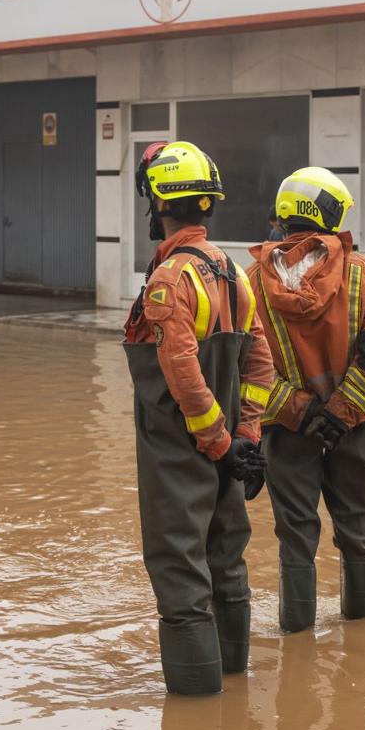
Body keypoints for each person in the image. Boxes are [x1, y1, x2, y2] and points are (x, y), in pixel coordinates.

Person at [124, 140, 275, 695]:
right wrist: (246, 435)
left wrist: (216, 440)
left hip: (180, 451)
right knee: (227, 558)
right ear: (206, 204)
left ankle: (196, 709)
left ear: (159, 204)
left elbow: (181, 368)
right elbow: (260, 359)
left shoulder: (170, 280)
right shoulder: (234, 273)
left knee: (180, 569)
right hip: (228, 450)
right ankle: (233, 685)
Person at [249, 167, 365, 632]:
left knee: (296, 540)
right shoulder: (362, 274)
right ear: (330, 212)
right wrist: (340, 413)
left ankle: (297, 640)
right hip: (355, 428)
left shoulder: (251, 280)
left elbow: (247, 368)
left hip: (287, 432)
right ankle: (359, 637)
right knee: (357, 534)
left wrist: (303, 412)